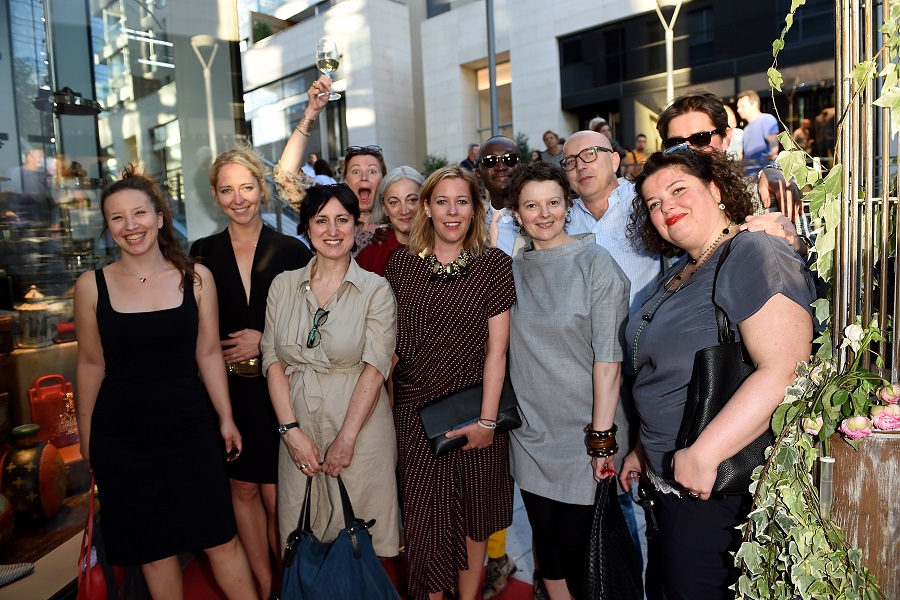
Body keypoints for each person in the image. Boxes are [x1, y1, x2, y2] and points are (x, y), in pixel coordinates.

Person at [621, 147, 815, 599]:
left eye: (678, 190)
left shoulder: (752, 250)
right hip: (669, 482)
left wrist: (703, 456)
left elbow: (787, 369)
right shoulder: (684, 269)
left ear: (715, 189)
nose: (666, 207)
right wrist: (642, 450)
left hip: (715, 487)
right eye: (654, 203)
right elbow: (662, 370)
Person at [74, 167, 255, 599]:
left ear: (159, 217)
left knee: (220, 538)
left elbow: (208, 354)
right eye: (117, 217)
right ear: (108, 227)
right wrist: (87, 434)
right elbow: (91, 364)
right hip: (122, 437)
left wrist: (226, 418)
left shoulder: (196, 278)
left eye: (139, 213)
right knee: (154, 551)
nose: (130, 225)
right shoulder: (91, 286)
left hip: (189, 427)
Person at [386, 166, 515, 600]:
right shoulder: (401, 265)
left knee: (475, 521)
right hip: (416, 416)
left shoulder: (493, 265)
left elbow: (497, 351)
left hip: (476, 411)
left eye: (462, 201)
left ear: (475, 208)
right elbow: (392, 350)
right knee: (426, 528)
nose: (452, 211)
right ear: (426, 207)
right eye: (442, 202)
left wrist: (488, 421)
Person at [190, 142, 313, 598]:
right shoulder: (201, 253)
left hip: (279, 391)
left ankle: (289, 582)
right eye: (227, 190)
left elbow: (315, 326)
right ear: (215, 196)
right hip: (227, 393)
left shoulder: (293, 251)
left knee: (278, 496)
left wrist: (264, 341)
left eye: (246, 187)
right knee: (242, 490)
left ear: (262, 188)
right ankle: (263, 585)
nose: (238, 199)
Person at [506, 161, 629, 599]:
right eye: (531, 205)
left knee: (584, 554)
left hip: (586, 436)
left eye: (553, 203)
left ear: (567, 206)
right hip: (530, 435)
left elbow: (609, 361)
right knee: (549, 546)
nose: (544, 214)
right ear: (516, 213)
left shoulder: (595, 264)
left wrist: (601, 442)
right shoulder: (511, 271)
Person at [261, 183, 400, 561]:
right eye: (321, 221)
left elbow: (376, 367)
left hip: (360, 431)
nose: (333, 230)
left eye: (342, 219)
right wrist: (290, 432)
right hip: (298, 428)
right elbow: (272, 361)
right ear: (307, 227)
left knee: (359, 548)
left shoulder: (376, 290)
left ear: (356, 225)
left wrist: (347, 438)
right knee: (302, 542)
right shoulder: (282, 285)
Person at [657, 91, 808, 227]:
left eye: (701, 138)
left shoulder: (765, 200)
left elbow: (806, 245)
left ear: (726, 138)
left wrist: (772, 169)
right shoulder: (659, 211)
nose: (688, 150)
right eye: (675, 143)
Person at [274, 75, 388, 255]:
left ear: (384, 178)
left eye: (372, 171)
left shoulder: (400, 216)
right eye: (355, 171)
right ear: (345, 179)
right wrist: (311, 112)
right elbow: (286, 175)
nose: (364, 177)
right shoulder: (328, 206)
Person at [356, 166, 424, 276]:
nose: (404, 211)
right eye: (394, 202)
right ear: (385, 208)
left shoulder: (442, 248)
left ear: (424, 203)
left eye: (412, 200)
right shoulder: (368, 256)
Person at [736, 90, 780, 177]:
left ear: (754, 104)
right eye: (738, 107)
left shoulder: (766, 119)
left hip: (764, 175)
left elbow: (773, 142)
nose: (739, 110)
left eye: (743, 106)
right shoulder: (746, 129)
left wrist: (773, 153)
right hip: (749, 176)